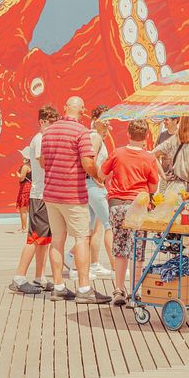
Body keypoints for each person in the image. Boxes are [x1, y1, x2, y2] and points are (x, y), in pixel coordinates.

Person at [41, 96, 111, 303]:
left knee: (58, 240)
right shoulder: (81, 132)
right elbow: (87, 162)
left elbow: (44, 162)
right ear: (82, 111)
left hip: (51, 194)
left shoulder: (49, 131)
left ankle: (59, 287)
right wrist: (99, 176)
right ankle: (83, 289)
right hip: (73, 194)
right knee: (82, 239)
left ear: (64, 109)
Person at [101, 120, 160, 307]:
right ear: (146, 137)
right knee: (138, 249)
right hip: (138, 206)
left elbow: (102, 175)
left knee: (120, 248)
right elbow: (153, 186)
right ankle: (135, 291)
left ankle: (119, 289)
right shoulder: (148, 157)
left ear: (128, 134)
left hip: (117, 205)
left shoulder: (117, 153)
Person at [9, 104, 59, 295]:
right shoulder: (40, 139)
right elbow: (44, 163)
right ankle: (19, 277)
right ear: (42, 121)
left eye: (56, 122)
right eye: (51, 122)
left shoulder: (45, 138)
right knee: (34, 238)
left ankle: (40, 277)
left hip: (45, 194)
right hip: (39, 195)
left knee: (44, 239)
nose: (54, 125)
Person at [82, 105, 114, 280]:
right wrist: (97, 179)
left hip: (90, 185)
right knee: (109, 224)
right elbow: (90, 159)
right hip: (94, 186)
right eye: (105, 118)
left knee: (95, 227)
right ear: (97, 120)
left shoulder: (92, 135)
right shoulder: (94, 136)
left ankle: (92, 264)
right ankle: (116, 265)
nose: (108, 122)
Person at [13, 149, 33, 234]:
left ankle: (24, 227)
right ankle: (31, 228)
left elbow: (22, 177)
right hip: (30, 187)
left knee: (23, 209)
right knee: (30, 209)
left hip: (25, 188)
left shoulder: (25, 167)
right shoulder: (32, 166)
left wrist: (17, 174)